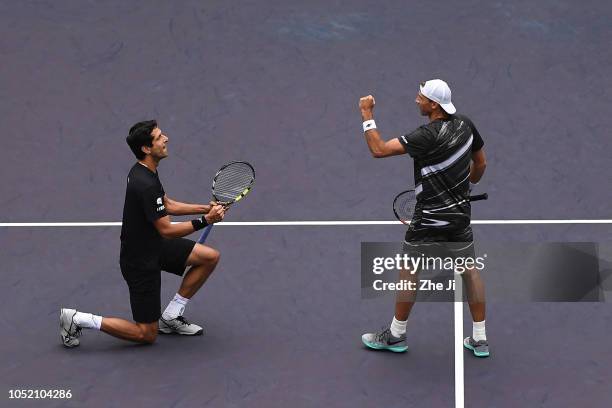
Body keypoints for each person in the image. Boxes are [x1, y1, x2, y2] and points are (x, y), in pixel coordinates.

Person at [60, 120, 226, 347]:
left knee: (209, 257)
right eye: (159, 138)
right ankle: (78, 319)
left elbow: (165, 203)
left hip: (153, 245)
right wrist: (206, 220)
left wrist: (204, 208)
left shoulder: (144, 171)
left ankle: (170, 316)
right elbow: (167, 230)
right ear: (146, 148)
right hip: (140, 261)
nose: (166, 139)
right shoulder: (144, 183)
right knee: (145, 334)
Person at [358, 79, 490, 357]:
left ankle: (396, 335)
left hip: (427, 220)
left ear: (433, 105)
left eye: (421, 97)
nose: (416, 100)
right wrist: (467, 188)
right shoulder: (466, 125)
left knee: (409, 271)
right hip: (459, 217)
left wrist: (367, 115)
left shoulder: (425, 136)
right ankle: (480, 339)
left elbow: (378, 149)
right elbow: (481, 163)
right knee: (470, 271)